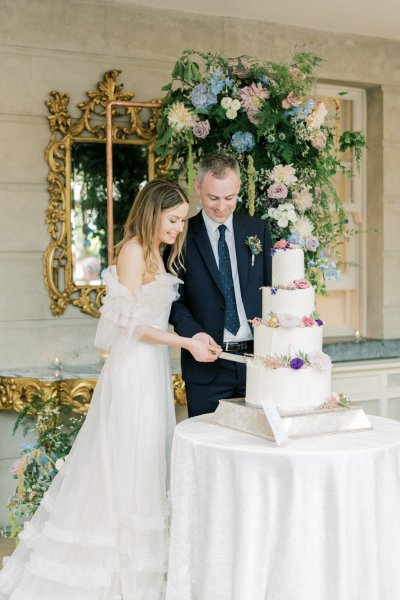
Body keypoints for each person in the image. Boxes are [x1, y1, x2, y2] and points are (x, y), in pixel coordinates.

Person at [0, 179, 218, 600]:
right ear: (153, 212)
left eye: (180, 221)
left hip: (152, 371)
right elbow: (130, 326)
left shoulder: (159, 251)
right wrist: (187, 342)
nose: (178, 228)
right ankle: (113, 574)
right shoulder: (133, 250)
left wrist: (192, 338)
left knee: (148, 459)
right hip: (133, 371)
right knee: (126, 461)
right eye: (173, 219)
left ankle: (139, 570)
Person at [170, 154, 272, 417]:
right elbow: (173, 301)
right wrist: (194, 334)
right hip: (206, 365)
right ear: (197, 187)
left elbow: (272, 289)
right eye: (213, 198)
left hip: (256, 363)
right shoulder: (180, 237)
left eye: (230, 197)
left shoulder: (257, 230)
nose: (222, 206)